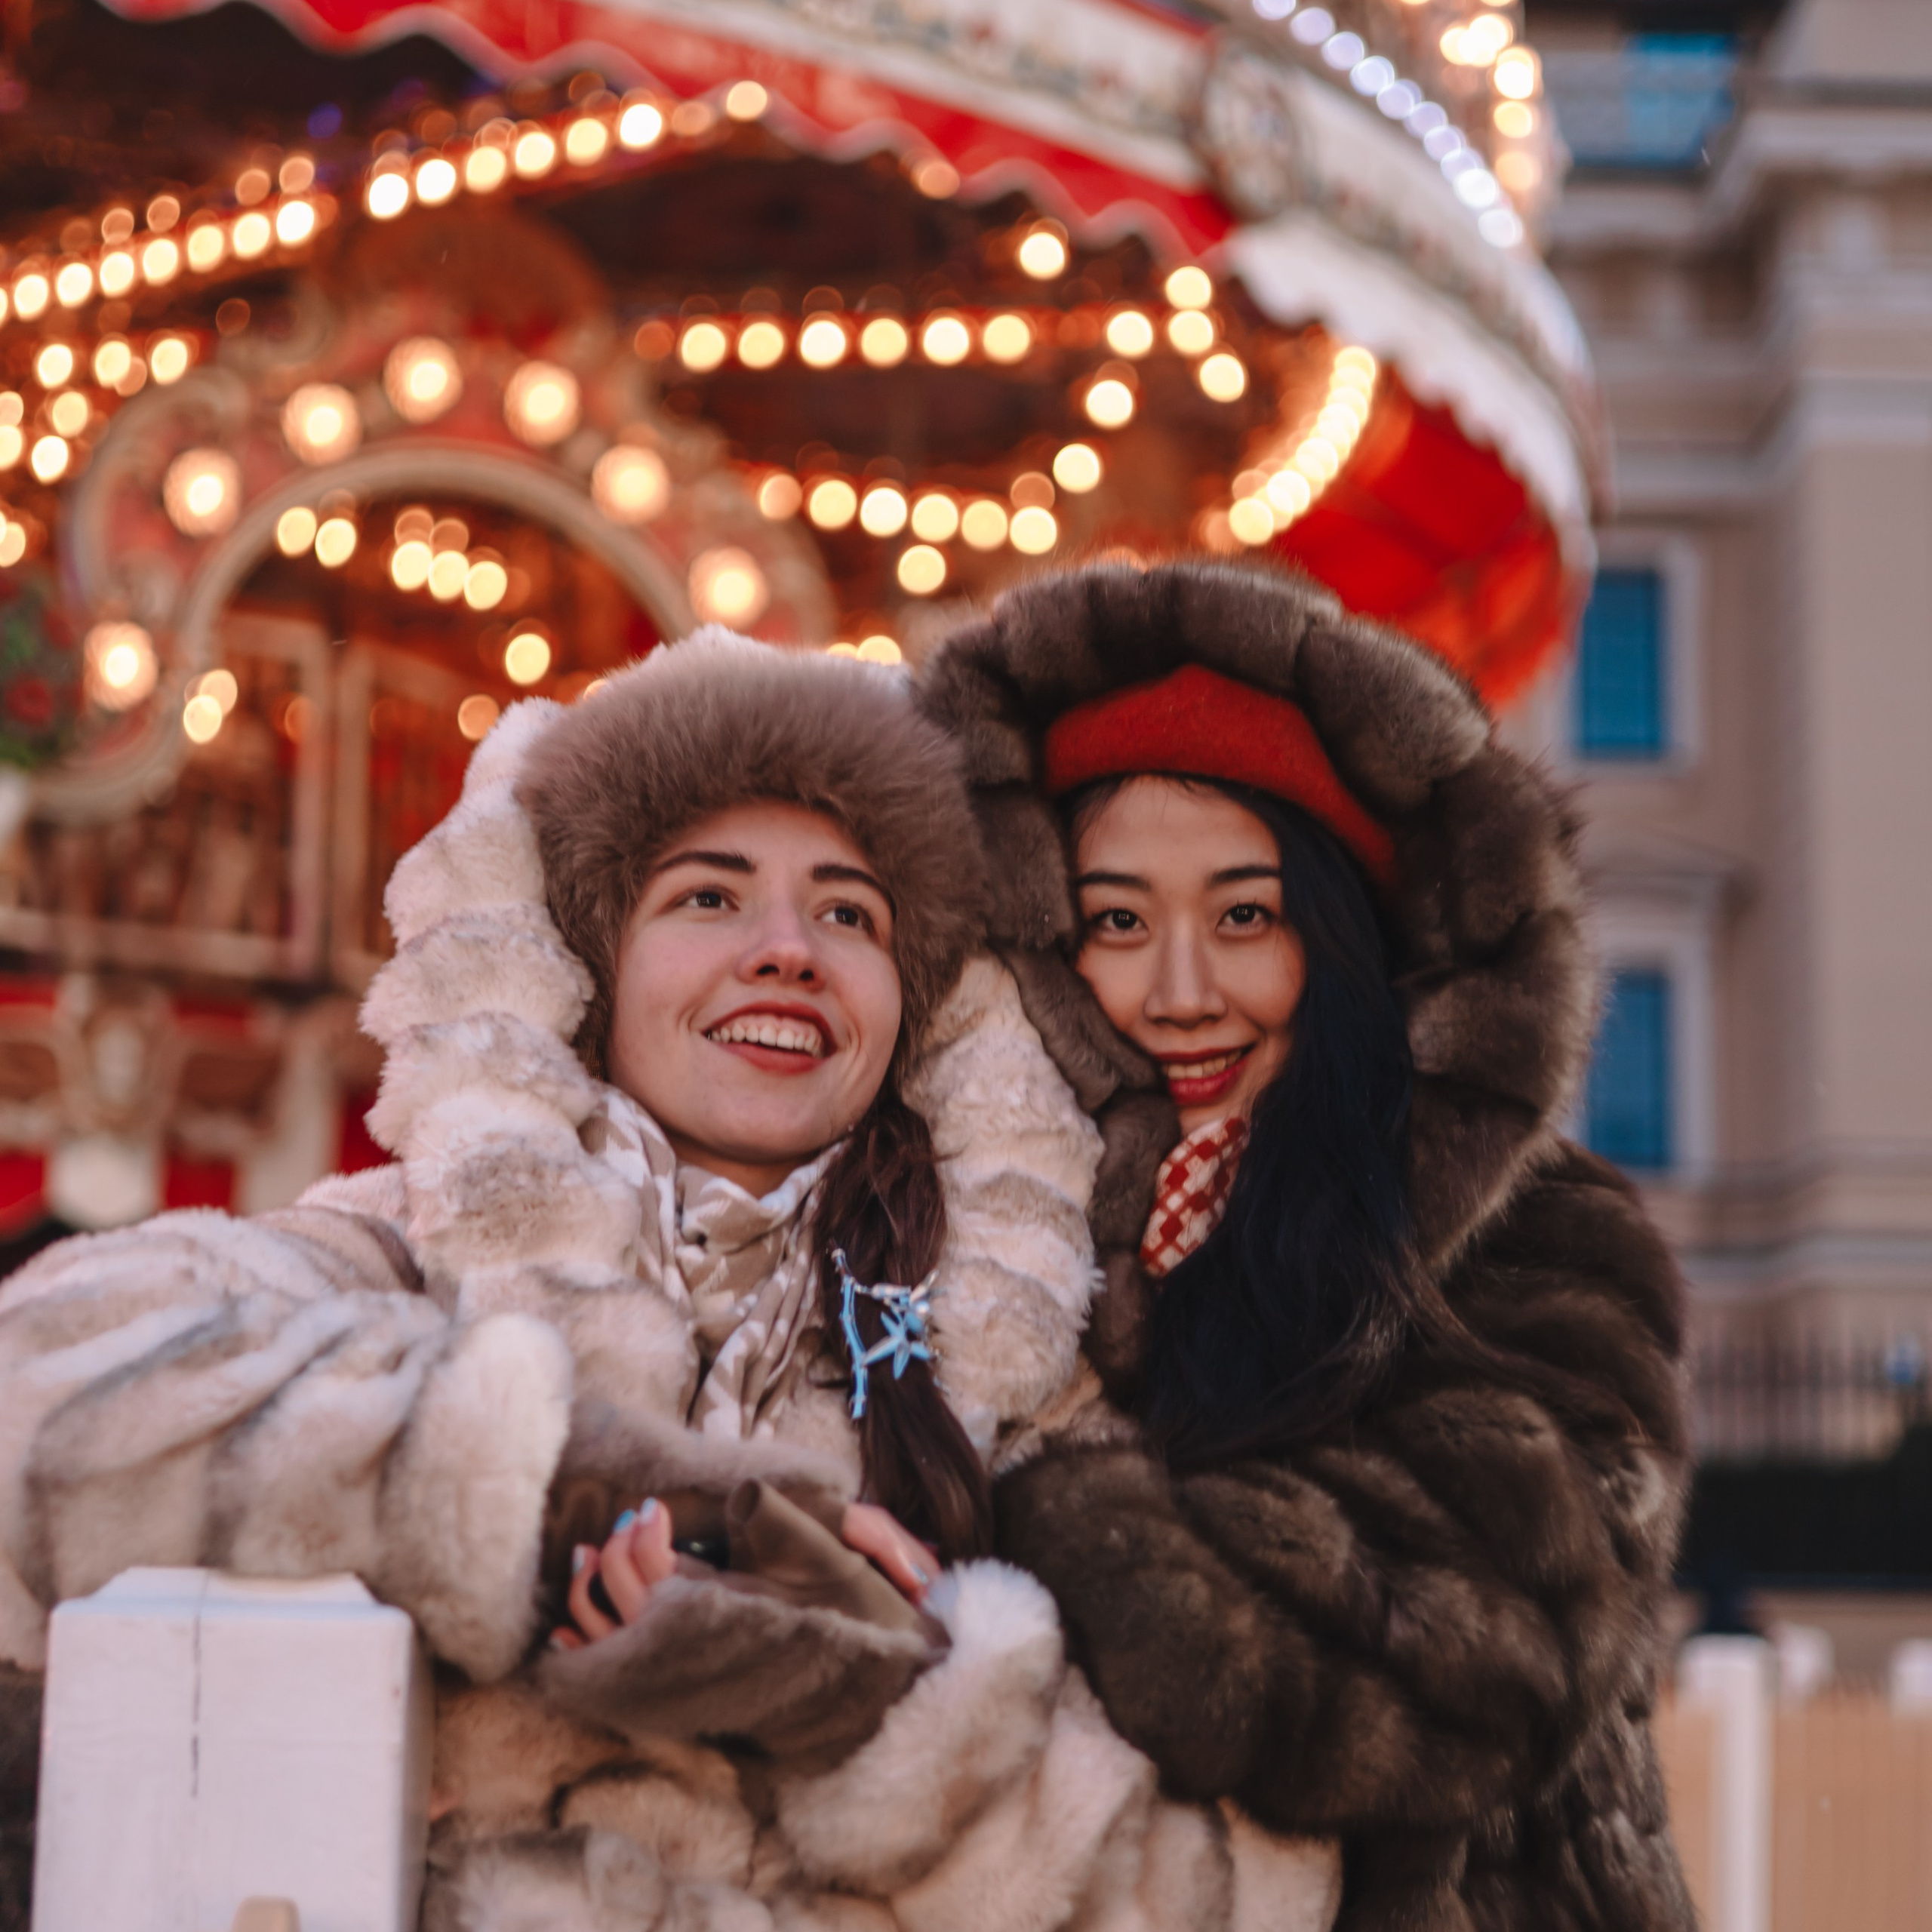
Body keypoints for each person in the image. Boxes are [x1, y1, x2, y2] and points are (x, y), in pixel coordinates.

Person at [0, 632, 1229, 1932]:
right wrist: (586, 1497)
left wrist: (859, 1682)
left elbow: (1194, 1880)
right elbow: (44, 1381)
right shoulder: (412, 1253)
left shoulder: (1017, 1376)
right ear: (593, 966)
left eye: (848, 914)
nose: (788, 950)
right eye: (709, 898)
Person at [918, 560, 1697, 1932]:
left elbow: (1450, 1668)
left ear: (1337, 946)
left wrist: (1005, 1534)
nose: (1180, 993)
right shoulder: (1008, 1217)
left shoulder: (1538, 1244)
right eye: (1116, 921)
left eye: (1245, 916)